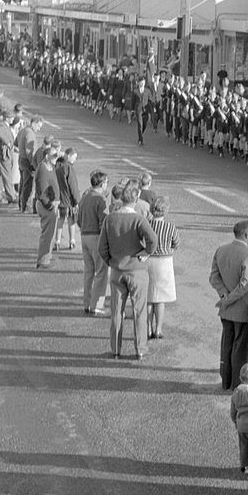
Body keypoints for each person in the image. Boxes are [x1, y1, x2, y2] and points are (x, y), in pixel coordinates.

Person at [98, 180, 158, 361]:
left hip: (117, 269)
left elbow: (102, 247)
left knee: (117, 312)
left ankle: (116, 349)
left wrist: (111, 261)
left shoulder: (110, 219)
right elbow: (152, 240)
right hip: (137, 270)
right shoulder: (138, 219)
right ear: (136, 198)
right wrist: (146, 253)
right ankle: (140, 349)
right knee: (139, 311)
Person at [209, 220, 248, 391]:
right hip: (243, 310)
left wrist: (223, 294)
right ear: (245, 234)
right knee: (240, 348)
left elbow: (214, 277)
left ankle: (226, 381)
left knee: (226, 344)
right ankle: (238, 384)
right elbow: (245, 286)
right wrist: (227, 299)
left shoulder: (221, 250)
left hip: (226, 310)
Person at [146, 195, 180, 340]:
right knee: (160, 299)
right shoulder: (170, 227)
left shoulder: (146, 224)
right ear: (165, 211)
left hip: (147, 260)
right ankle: (158, 330)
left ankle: (147, 328)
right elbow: (176, 244)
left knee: (148, 298)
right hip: (164, 262)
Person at [77, 169, 110, 315]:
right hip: (96, 236)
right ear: (102, 184)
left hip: (83, 235)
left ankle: (87, 302)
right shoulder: (100, 200)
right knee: (101, 271)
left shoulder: (85, 197)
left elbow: (78, 219)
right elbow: (104, 222)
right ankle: (96, 304)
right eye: (106, 183)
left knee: (89, 271)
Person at [34, 143, 62, 268]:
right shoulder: (43, 171)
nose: (56, 159)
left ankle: (47, 256)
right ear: (46, 157)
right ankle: (43, 261)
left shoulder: (49, 166)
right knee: (47, 235)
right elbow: (42, 194)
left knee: (50, 234)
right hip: (47, 207)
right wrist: (51, 206)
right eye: (53, 156)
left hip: (51, 205)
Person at [54, 147, 80, 249]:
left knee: (60, 220)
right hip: (68, 200)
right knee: (71, 220)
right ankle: (72, 240)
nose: (75, 160)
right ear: (68, 156)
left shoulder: (57, 166)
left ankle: (57, 241)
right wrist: (77, 200)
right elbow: (73, 186)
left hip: (59, 199)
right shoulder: (68, 168)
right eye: (74, 157)